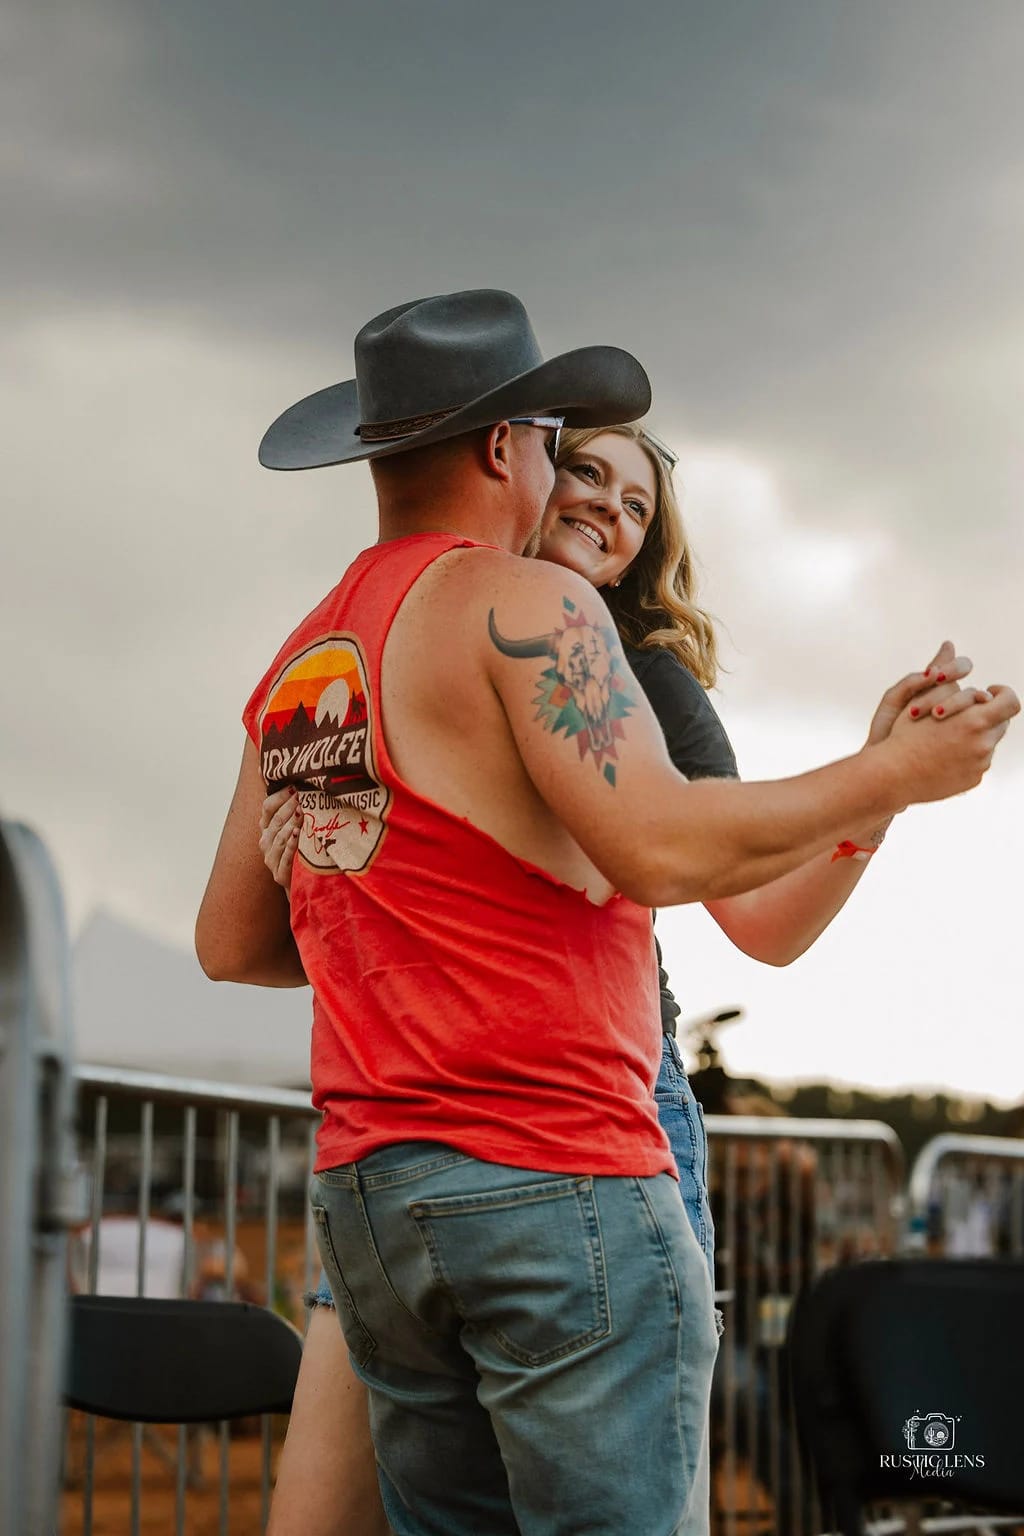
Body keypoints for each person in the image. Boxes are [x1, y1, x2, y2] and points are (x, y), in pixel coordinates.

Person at [196, 289, 1017, 1536]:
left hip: (375, 1192)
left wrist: (382, 897)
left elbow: (233, 942)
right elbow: (659, 844)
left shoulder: (303, 659)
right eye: (556, 445)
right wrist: (894, 775)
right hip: (555, 1172)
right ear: (503, 446)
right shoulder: (530, 609)